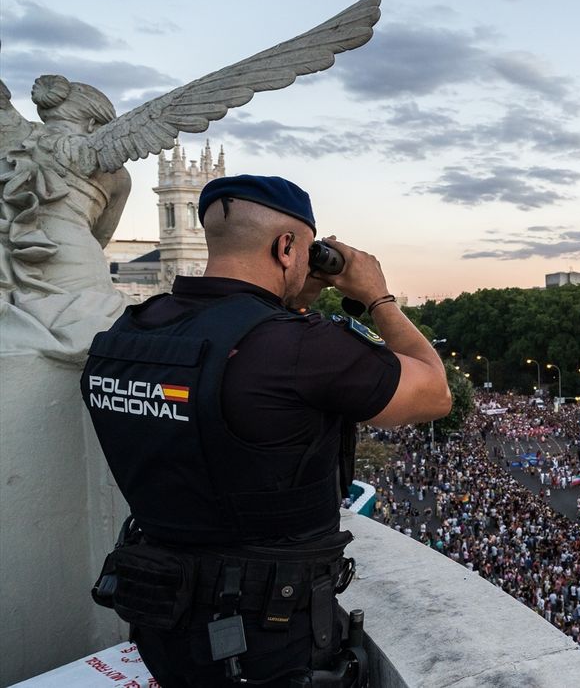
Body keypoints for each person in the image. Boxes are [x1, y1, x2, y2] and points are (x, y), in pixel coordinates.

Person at [83, 175, 452, 686]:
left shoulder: (125, 335)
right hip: (269, 636)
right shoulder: (299, 348)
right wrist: (378, 296)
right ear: (286, 247)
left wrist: (288, 300)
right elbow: (434, 393)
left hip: (159, 614)